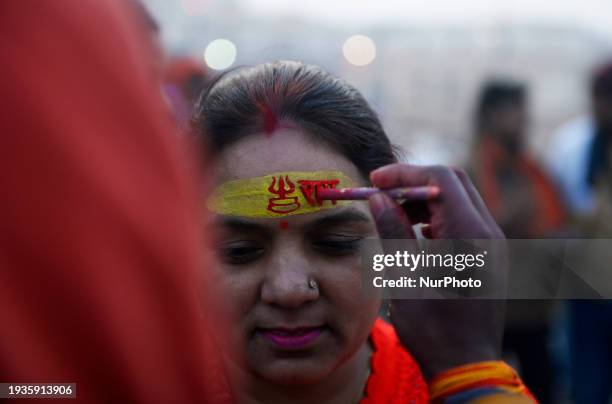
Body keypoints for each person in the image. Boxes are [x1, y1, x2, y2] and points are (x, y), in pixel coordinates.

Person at [195, 61, 536, 403]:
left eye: (335, 243)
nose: (290, 290)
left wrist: (467, 370)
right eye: (237, 250)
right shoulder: (146, 381)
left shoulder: (460, 386)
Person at [468, 80, 566, 403]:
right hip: (489, 311)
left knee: (542, 387)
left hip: (534, 308)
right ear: (490, 115)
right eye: (515, 110)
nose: (524, 118)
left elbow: (554, 218)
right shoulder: (471, 170)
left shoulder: (530, 169)